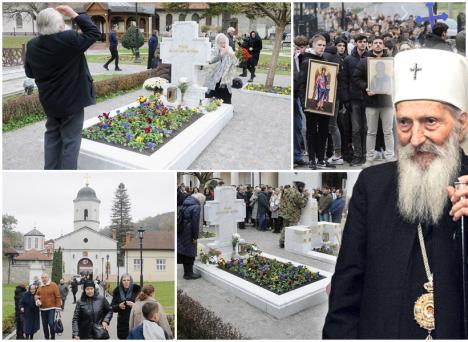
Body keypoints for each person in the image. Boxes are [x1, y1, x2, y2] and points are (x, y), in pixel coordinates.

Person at [323, 49, 468, 339]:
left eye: (430, 121)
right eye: (404, 123)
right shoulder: (372, 184)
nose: (415, 139)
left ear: (462, 125)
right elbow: (346, 293)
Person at [24, 6, 101, 170]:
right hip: (72, 102)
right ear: (59, 25)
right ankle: (67, 176)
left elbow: (30, 73)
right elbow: (94, 33)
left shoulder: (32, 45)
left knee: (52, 137)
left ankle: (50, 172)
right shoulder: (69, 39)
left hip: (50, 102)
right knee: (71, 142)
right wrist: (74, 14)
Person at [353, 36, 395, 166]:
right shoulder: (365, 61)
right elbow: (356, 77)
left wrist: (392, 89)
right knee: (371, 132)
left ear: (383, 45)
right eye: (375, 43)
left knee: (388, 131)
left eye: (380, 43)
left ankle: (390, 157)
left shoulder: (390, 61)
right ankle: (369, 158)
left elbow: (397, 78)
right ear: (371, 45)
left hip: (387, 102)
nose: (377, 45)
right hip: (371, 102)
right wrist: (366, 87)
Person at [298, 34, 336, 169]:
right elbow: (302, 84)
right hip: (311, 103)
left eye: (324, 45)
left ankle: (321, 158)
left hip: (325, 102)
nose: (322, 47)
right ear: (313, 45)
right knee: (311, 131)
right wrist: (304, 103)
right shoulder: (307, 61)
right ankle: (312, 159)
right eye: (319, 45)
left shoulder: (325, 60)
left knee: (324, 131)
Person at [341, 34, 369, 166]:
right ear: (356, 43)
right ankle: (358, 155)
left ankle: (365, 154)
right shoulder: (348, 60)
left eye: (364, 42)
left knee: (367, 128)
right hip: (354, 99)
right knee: (356, 129)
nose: (362, 44)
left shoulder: (371, 58)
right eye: (360, 42)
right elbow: (344, 80)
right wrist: (346, 99)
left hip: (369, 98)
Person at [205, 33, 237, 104]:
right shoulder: (213, 50)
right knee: (212, 94)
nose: (223, 44)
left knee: (226, 94)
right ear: (217, 43)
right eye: (220, 43)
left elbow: (235, 62)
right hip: (215, 77)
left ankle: (226, 108)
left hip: (225, 77)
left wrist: (230, 54)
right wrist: (221, 54)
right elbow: (210, 61)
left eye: (224, 42)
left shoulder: (229, 49)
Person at [177, 195, 202, 280]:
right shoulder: (196, 207)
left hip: (182, 230)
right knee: (190, 252)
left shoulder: (185, 204)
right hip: (189, 231)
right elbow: (195, 223)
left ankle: (186, 273)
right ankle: (189, 274)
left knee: (185, 251)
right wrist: (195, 236)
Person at [278, 181, 309, 248]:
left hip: (285, 213)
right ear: (300, 187)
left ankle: (282, 241)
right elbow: (302, 204)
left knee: (285, 227)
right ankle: (290, 243)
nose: (303, 189)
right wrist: (306, 197)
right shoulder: (297, 193)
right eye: (303, 188)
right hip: (293, 214)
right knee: (292, 229)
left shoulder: (288, 190)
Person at [293, 35, 308, 167]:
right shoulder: (293, 58)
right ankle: (296, 155)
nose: (300, 50)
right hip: (294, 94)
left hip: (298, 95)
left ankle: (297, 155)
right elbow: (296, 75)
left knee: (298, 126)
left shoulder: (304, 58)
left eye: (302, 48)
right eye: (298, 47)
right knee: (296, 125)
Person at [111, 274, 141, 339]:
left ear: (131, 281)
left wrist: (134, 305)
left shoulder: (137, 290)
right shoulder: (117, 291)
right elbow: (112, 307)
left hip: (135, 321)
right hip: (122, 323)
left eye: (128, 280)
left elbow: (143, 306)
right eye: (124, 280)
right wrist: (119, 306)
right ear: (121, 282)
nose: (126, 282)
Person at [35, 273, 61, 340]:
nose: (44, 279)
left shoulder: (53, 285)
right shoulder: (40, 286)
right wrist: (37, 299)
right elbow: (36, 295)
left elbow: (58, 297)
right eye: (42, 278)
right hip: (43, 309)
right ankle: (46, 338)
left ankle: (52, 338)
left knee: (51, 323)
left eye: (45, 277)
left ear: (48, 277)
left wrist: (58, 307)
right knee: (44, 325)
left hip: (51, 308)